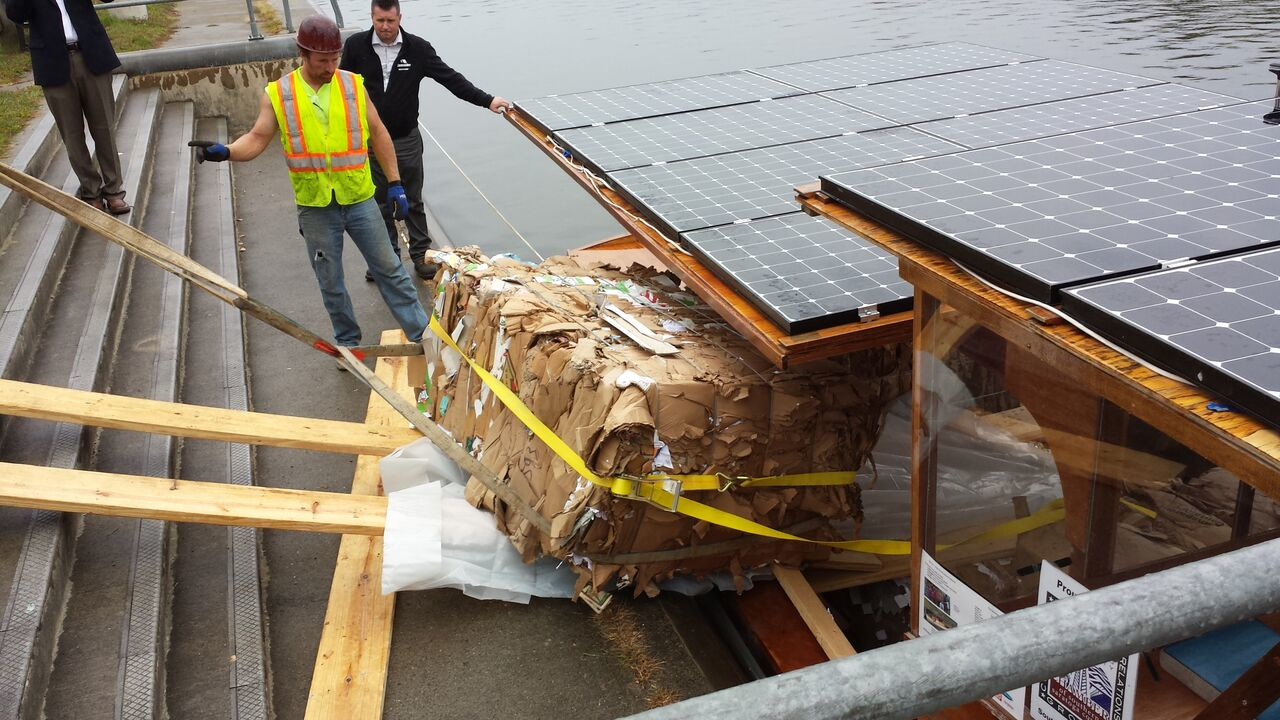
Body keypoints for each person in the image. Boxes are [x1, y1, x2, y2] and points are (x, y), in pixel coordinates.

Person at [189, 15, 431, 367]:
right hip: (316, 206)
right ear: (302, 53)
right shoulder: (280, 94)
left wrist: (394, 184)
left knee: (390, 269)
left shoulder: (351, 85)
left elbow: (378, 133)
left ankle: (421, 333)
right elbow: (257, 139)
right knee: (330, 281)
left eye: (335, 58)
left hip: (359, 196)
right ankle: (348, 346)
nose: (331, 66)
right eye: (323, 61)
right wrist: (226, 152)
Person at [340, 0, 510, 281]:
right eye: (379, 21)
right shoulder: (356, 46)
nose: (384, 27)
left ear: (400, 18)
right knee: (377, 202)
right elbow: (339, 86)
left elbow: (450, 79)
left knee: (413, 200)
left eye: (390, 21)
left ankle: (421, 255)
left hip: (405, 139)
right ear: (372, 17)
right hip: (368, 141)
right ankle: (387, 259)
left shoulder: (417, 48)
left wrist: (487, 100)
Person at [3, 0, 131, 214]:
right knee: (72, 135)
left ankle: (114, 191)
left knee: (104, 128)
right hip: (53, 63)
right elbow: (16, 14)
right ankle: (91, 192)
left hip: (91, 55)